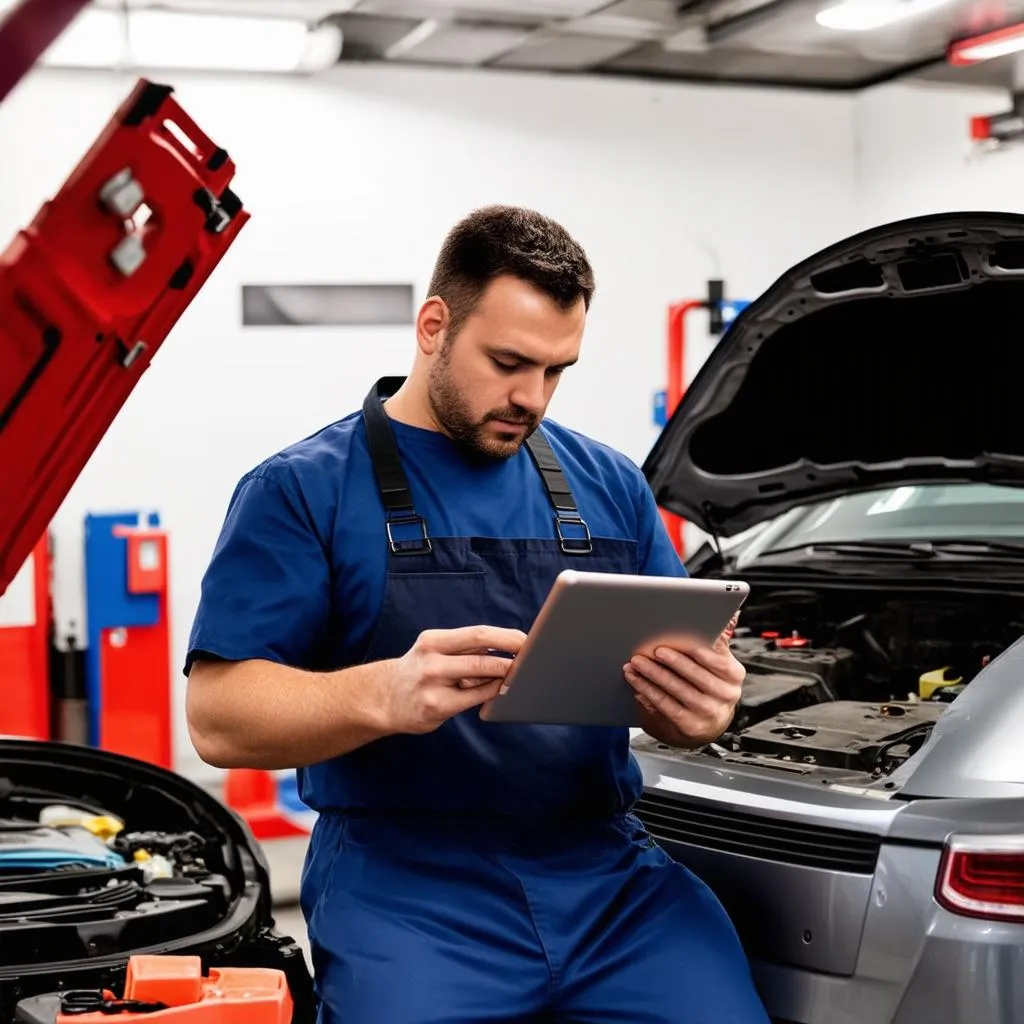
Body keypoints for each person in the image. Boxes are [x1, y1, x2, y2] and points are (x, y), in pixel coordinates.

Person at [184, 205, 770, 1024]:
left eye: (557, 370)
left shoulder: (610, 485)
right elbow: (217, 718)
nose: (532, 397)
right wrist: (382, 695)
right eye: (508, 362)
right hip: (406, 887)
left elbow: (668, 698)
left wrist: (697, 713)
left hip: (605, 881)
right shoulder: (300, 490)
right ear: (433, 326)